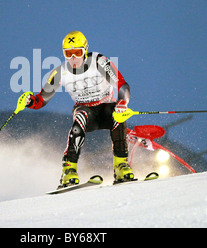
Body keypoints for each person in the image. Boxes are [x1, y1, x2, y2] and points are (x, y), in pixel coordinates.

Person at [24, 31, 133, 188]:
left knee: (118, 114)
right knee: (80, 118)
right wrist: (30, 101)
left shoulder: (99, 62)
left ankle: (121, 165)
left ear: (85, 50)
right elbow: (41, 100)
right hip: (86, 110)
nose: (73, 58)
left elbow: (122, 84)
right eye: (68, 53)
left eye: (77, 52)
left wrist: (123, 102)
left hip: (106, 108)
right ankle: (69, 169)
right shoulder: (60, 72)